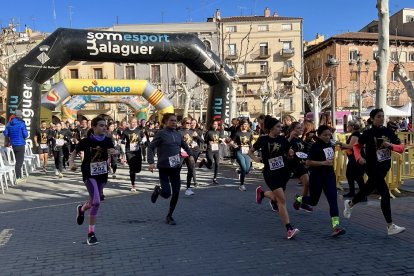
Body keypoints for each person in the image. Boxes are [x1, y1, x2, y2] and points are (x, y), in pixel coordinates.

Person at [344, 108, 406, 235]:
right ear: (372, 119)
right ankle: (390, 226)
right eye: (378, 116)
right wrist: (359, 157)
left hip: (384, 166)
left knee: (368, 189)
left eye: (383, 116)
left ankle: (350, 203)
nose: (381, 118)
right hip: (371, 166)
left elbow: (401, 148)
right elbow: (357, 146)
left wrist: (390, 145)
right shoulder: (367, 133)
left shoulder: (388, 131)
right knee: (384, 192)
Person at [249, 117, 300, 240]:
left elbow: (289, 152)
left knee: (278, 198)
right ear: (271, 128)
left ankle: (262, 193)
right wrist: (255, 159)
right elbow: (251, 151)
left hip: (283, 172)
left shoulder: (283, 139)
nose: (280, 128)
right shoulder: (263, 139)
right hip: (270, 173)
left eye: (281, 126)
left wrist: (291, 154)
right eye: (278, 126)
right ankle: (289, 229)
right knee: (282, 200)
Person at [70, 117, 117, 246]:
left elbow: (112, 152)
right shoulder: (86, 141)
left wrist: (114, 153)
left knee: (94, 200)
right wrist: (71, 163)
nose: (104, 128)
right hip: (89, 173)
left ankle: (82, 209)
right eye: (101, 125)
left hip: (102, 174)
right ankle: (91, 234)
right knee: (96, 201)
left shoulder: (108, 140)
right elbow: (74, 152)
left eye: (105, 126)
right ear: (94, 127)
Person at [293, 125, 346, 237]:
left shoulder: (331, 144)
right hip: (317, 176)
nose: (327, 137)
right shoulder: (315, 146)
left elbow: (343, 145)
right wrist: (323, 163)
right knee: (313, 201)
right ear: (319, 135)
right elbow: (308, 162)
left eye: (329, 134)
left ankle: (336, 227)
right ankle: (299, 198)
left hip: (329, 176)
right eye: (324, 135)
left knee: (333, 201)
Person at [147, 113, 194, 225]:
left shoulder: (178, 134)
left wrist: (191, 155)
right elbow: (150, 147)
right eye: (172, 120)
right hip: (164, 167)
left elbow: (185, 146)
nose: (174, 122)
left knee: (176, 192)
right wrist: (151, 162)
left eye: (175, 120)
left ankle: (170, 216)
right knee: (167, 193)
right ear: (165, 121)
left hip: (175, 167)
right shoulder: (161, 134)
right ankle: (158, 190)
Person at [340, 120, 365, 199]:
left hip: (356, 158)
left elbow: (351, 146)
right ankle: (352, 192)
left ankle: (362, 195)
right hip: (354, 157)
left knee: (357, 176)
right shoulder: (355, 134)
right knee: (350, 175)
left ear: (353, 127)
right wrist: (344, 147)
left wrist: (341, 144)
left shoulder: (355, 135)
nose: (347, 127)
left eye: (349, 126)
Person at [4, 110, 28, 183]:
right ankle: (18, 178)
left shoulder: (9, 124)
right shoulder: (22, 123)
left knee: (16, 162)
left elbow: (5, 134)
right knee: (19, 162)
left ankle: (19, 177)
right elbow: (26, 135)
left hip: (13, 145)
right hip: (20, 144)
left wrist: (11, 135)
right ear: (20, 116)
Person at [121, 118, 145, 192]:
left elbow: (144, 137)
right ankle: (133, 185)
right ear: (129, 123)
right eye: (132, 122)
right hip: (129, 151)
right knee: (131, 168)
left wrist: (142, 142)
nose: (133, 123)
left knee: (138, 169)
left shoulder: (139, 130)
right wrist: (123, 153)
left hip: (137, 150)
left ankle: (136, 170)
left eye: (135, 122)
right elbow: (122, 141)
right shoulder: (125, 131)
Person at [198, 120, 225, 184]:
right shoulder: (209, 132)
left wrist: (221, 140)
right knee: (210, 166)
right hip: (210, 150)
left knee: (217, 164)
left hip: (216, 150)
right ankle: (204, 162)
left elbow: (220, 140)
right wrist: (209, 142)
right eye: (214, 124)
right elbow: (205, 141)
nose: (215, 125)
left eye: (216, 124)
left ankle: (215, 178)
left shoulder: (218, 132)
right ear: (211, 125)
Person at [230, 119, 253, 191]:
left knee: (247, 170)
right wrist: (234, 145)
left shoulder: (249, 133)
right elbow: (231, 142)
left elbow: (250, 144)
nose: (245, 126)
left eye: (246, 124)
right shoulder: (237, 133)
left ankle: (239, 171)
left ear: (248, 125)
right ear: (241, 125)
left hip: (247, 152)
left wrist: (252, 150)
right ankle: (242, 185)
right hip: (239, 152)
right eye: (243, 125)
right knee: (243, 167)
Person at [179, 117, 200, 195]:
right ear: (183, 123)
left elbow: (199, 141)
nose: (189, 124)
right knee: (178, 169)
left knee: (191, 168)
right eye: (187, 123)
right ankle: (176, 184)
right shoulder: (179, 131)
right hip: (181, 152)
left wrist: (194, 141)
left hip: (188, 152)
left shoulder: (192, 131)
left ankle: (188, 188)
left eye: (190, 123)